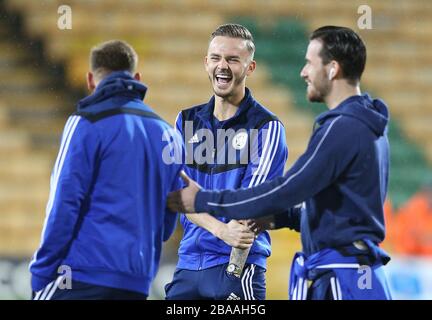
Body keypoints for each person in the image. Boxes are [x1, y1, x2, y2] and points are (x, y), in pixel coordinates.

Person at [168, 26, 393, 300]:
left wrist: (204, 199)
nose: (303, 72)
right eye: (215, 57)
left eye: (310, 63)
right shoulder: (362, 125)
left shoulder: (344, 128)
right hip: (351, 271)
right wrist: (279, 218)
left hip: (344, 274)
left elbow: (286, 190)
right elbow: (330, 207)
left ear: (332, 69)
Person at [29, 40, 184, 300]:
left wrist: (41, 270)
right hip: (135, 283)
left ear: (91, 80)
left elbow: (64, 202)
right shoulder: (169, 135)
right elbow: (168, 221)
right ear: (137, 78)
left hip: (79, 275)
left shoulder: (86, 122)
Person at [164, 24, 288, 300]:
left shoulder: (266, 128)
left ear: (250, 67)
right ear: (206, 62)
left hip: (237, 268)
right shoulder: (185, 121)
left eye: (233, 59)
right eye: (217, 58)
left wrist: (233, 252)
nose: (223, 66)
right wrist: (220, 229)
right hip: (188, 265)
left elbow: (252, 203)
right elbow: (175, 194)